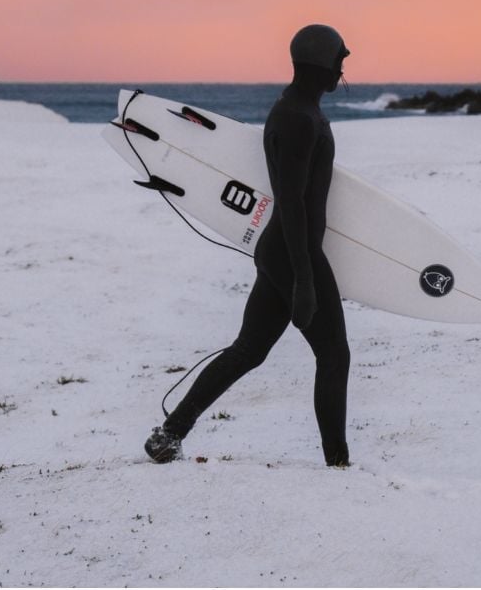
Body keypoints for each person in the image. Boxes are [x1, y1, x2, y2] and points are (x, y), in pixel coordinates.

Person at [145, 24, 352, 467]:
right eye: (340, 60)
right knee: (334, 355)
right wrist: (303, 280)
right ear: (321, 64)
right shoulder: (297, 118)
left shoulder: (300, 109)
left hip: (282, 249)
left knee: (249, 350)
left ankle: (170, 434)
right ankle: (338, 463)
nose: (342, 69)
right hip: (294, 251)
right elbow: (293, 202)